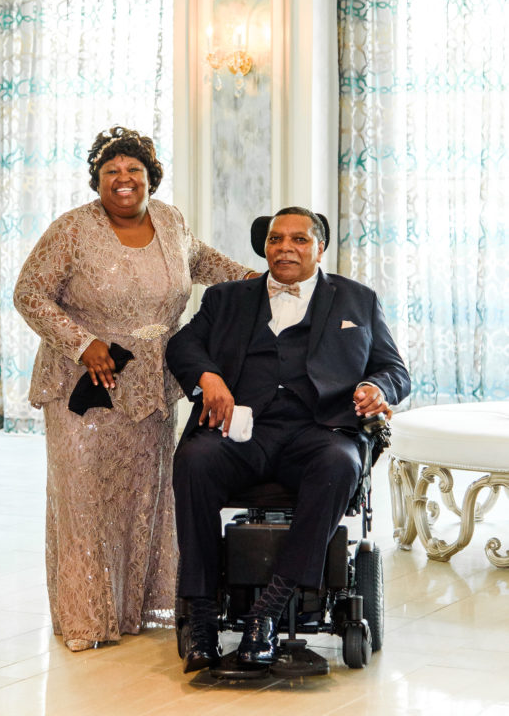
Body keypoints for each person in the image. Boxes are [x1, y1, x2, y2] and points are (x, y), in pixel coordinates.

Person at [13, 126, 255, 653]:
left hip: (150, 385)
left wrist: (266, 282)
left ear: (151, 178)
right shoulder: (71, 230)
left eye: (133, 171)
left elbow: (207, 263)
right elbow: (29, 294)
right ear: (97, 180)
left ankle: (131, 610)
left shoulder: (170, 221)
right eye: (111, 172)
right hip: (84, 384)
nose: (123, 180)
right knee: (84, 497)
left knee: (142, 497)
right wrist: (82, 344)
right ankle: (84, 618)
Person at [167, 206, 410, 673]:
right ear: (264, 247)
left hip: (318, 432)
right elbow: (183, 345)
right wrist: (208, 377)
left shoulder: (357, 299)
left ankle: (268, 611)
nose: (285, 248)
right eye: (276, 239)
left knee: (340, 463)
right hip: (244, 431)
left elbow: (393, 369)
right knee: (195, 459)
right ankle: (201, 617)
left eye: (299, 239)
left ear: (320, 247)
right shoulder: (226, 298)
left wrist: (376, 388)